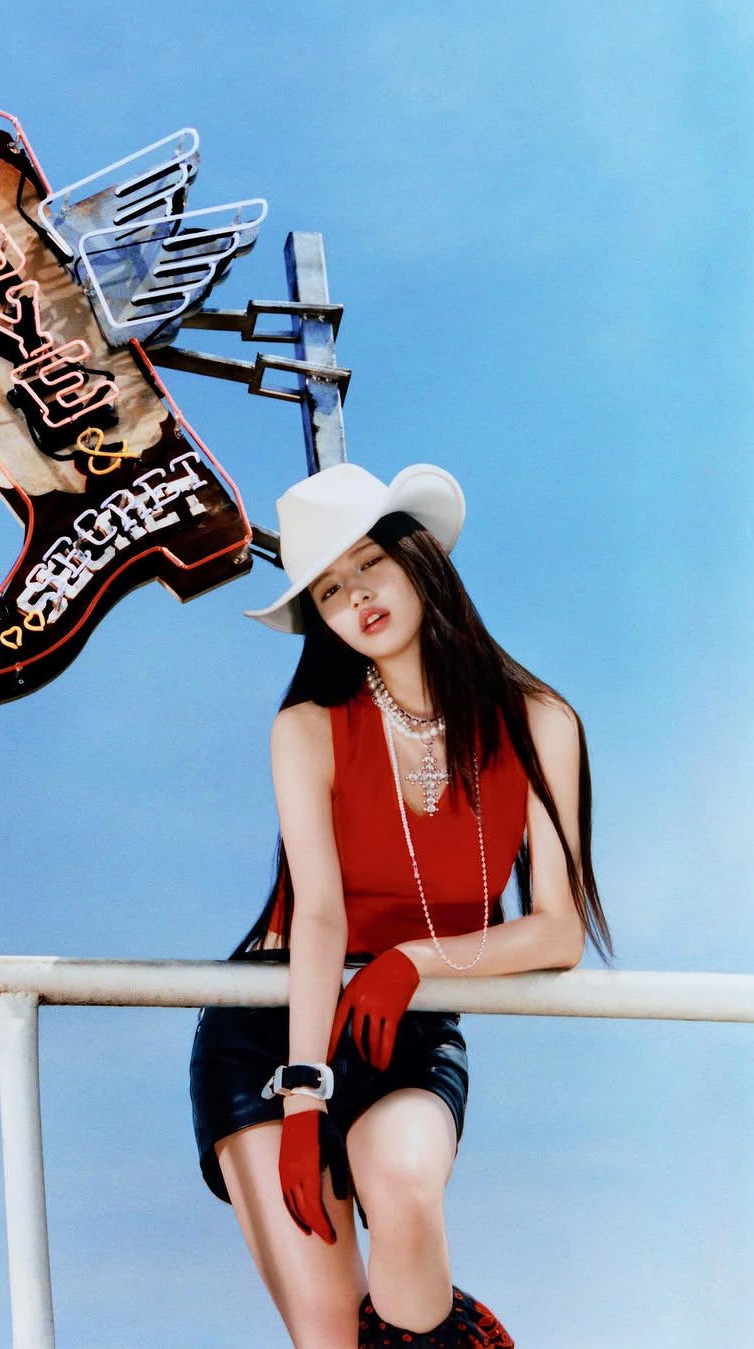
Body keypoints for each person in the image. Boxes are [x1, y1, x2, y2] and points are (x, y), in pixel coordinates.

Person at [189, 462, 611, 1348]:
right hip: (276, 1022)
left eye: (369, 562)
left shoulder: (540, 722)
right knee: (331, 1333)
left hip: (408, 1018)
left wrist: (413, 961)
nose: (356, 596)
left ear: (420, 558)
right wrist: (303, 1095)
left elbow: (559, 929)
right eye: (329, 589)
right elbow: (318, 915)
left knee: (409, 1192)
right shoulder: (307, 727)